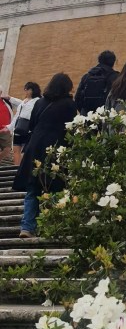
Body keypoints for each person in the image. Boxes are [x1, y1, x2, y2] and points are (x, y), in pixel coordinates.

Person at [13, 73, 77, 239]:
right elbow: (71, 126)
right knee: (56, 187)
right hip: (55, 148)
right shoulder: (69, 104)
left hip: (35, 146)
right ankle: (51, 226)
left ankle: (26, 226)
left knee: (33, 188)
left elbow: (33, 123)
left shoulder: (40, 102)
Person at [2, 82, 42, 165]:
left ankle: (24, 169)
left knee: (26, 151)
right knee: (16, 150)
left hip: (28, 129)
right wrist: (9, 127)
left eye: (27, 89)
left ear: (32, 90)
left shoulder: (38, 101)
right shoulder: (24, 101)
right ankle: (16, 170)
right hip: (18, 128)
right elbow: (17, 115)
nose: (25, 91)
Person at [75, 51, 119, 115]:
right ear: (113, 62)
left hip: (87, 116)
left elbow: (77, 98)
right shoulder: (116, 77)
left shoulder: (86, 77)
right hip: (107, 118)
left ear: (99, 61)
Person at [0, 96, 12, 165]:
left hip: (5, 130)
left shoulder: (6, 101)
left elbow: (21, 103)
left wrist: (11, 98)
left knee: (7, 149)